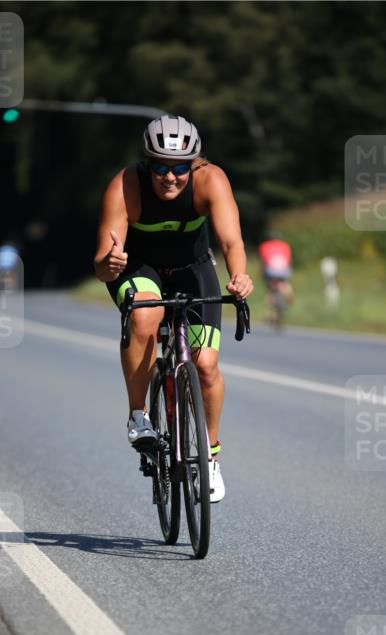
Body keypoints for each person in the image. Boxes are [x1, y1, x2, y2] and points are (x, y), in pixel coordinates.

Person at [93, 114, 253, 502]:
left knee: (206, 366)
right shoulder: (126, 185)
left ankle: (210, 459)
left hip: (192, 269)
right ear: (148, 164)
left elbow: (231, 241)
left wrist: (240, 276)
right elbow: (101, 263)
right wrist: (108, 264)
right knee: (147, 315)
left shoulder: (211, 180)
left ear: (194, 164)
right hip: (137, 269)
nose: (170, 177)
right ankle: (138, 415)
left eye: (179, 167)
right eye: (161, 167)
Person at [258, 232, 293, 324]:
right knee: (284, 282)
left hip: (270, 270)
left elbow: (263, 261)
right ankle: (288, 295)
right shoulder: (285, 245)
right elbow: (288, 260)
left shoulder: (264, 246)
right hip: (284, 270)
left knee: (269, 284)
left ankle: (270, 295)